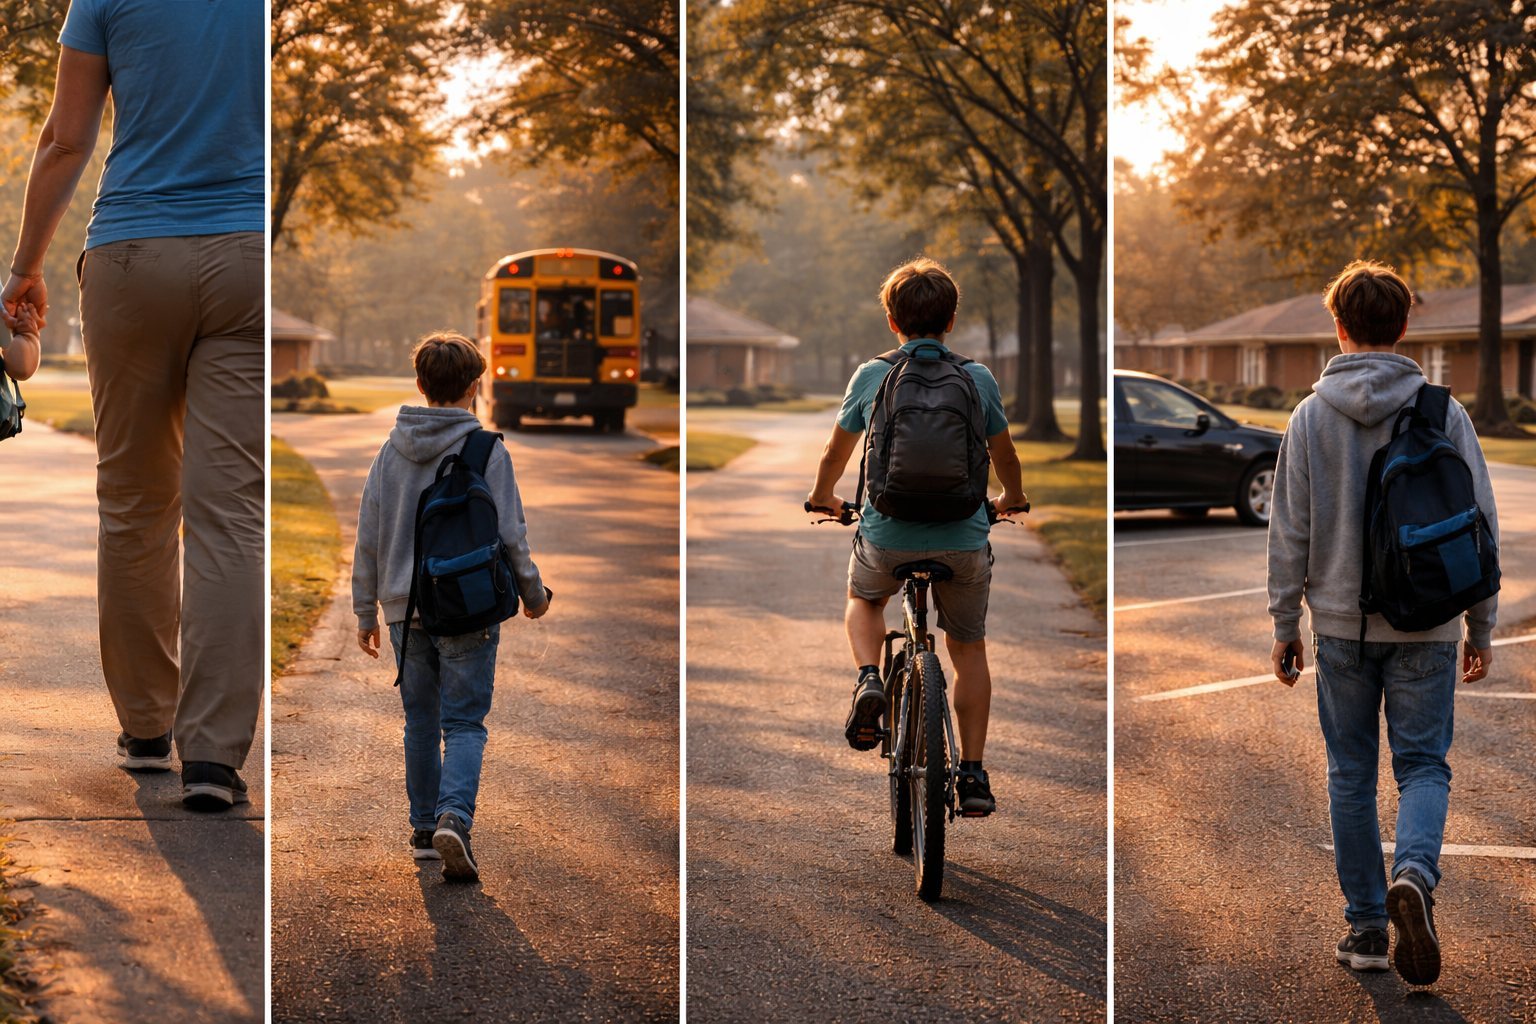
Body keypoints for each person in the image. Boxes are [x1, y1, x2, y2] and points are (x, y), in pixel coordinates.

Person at [1, 0, 264, 808]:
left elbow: (66, 138)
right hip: (248, 258)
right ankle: (213, 758)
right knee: (230, 514)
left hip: (131, 254)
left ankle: (148, 728)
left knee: (134, 504)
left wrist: (25, 268)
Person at [1267, 260, 1497, 985]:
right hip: (1428, 622)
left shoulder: (1311, 417)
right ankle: (1415, 876)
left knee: (1351, 773)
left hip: (1341, 626)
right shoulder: (1442, 412)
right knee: (1423, 765)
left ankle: (1368, 928)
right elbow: (1480, 523)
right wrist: (1481, 626)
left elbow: (1289, 529)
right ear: (1403, 327)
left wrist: (1285, 621)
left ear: (1339, 326)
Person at [805, 257, 1027, 816]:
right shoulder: (977, 378)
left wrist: (823, 496)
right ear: (951, 321)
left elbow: (836, 452)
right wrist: (1012, 498)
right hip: (963, 540)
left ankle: (868, 679)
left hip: (887, 535)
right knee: (968, 648)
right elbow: (1004, 455)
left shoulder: (872, 374)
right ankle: (972, 774)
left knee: (864, 598)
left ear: (891, 320)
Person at [353, 332, 551, 882]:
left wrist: (365, 611)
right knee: (464, 723)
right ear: (475, 386)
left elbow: (368, 535)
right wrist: (533, 594)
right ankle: (454, 819)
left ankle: (423, 830)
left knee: (420, 721)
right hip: (468, 605)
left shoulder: (390, 451)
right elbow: (512, 534)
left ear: (421, 384)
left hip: (404, 607)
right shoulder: (486, 450)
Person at [3, 302, 41, 382]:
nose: (23, 306)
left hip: (17, 363)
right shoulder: (32, 327)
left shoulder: (24, 324)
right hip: (25, 370)